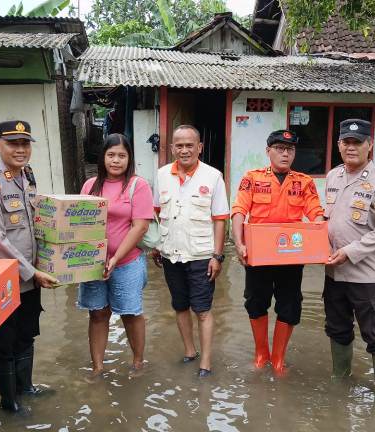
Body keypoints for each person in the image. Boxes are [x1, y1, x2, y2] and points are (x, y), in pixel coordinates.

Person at [0, 120, 58, 413]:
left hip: (31, 281)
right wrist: (33, 272)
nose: (20, 150)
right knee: (1, 344)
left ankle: (26, 389)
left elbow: (34, 227)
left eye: (25, 144)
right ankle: (9, 404)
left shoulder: (27, 177)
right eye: (13, 144)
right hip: (2, 284)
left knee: (26, 334)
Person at [231, 130, 324, 375]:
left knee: (290, 304)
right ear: (268, 151)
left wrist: (321, 235)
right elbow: (239, 210)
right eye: (280, 148)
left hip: (291, 254)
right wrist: (239, 243)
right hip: (259, 255)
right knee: (255, 301)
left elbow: (316, 213)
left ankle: (279, 358)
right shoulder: (252, 178)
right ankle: (262, 354)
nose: (285, 153)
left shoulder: (304, 182)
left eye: (290, 149)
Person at [323, 119, 375, 398]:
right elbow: (327, 219)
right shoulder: (333, 176)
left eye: (357, 142)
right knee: (337, 327)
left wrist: (351, 252)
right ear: (338, 145)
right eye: (346, 142)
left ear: (370, 145)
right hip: (334, 272)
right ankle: (339, 378)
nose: (351, 147)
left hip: (366, 275)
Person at [150, 125, 230, 377]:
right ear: (172, 148)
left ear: (199, 148)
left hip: (201, 255)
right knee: (180, 306)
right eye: (179, 145)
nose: (184, 150)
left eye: (189, 145)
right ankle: (189, 351)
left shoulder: (213, 176)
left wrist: (217, 256)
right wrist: (156, 246)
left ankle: (205, 362)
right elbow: (156, 213)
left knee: (203, 310)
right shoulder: (162, 175)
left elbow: (219, 219)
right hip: (170, 253)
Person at [78, 133, 153, 376]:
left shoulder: (137, 185)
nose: (116, 160)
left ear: (129, 158)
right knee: (98, 313)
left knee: (130, 313)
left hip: (127, 262)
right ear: (103, 157)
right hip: (94, 264)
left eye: (122, 155)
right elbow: (79, 223)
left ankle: (138, 363)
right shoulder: (90, 185)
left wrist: (115, 258)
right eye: (111, 155)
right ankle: (97, 368)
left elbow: (140, 226)